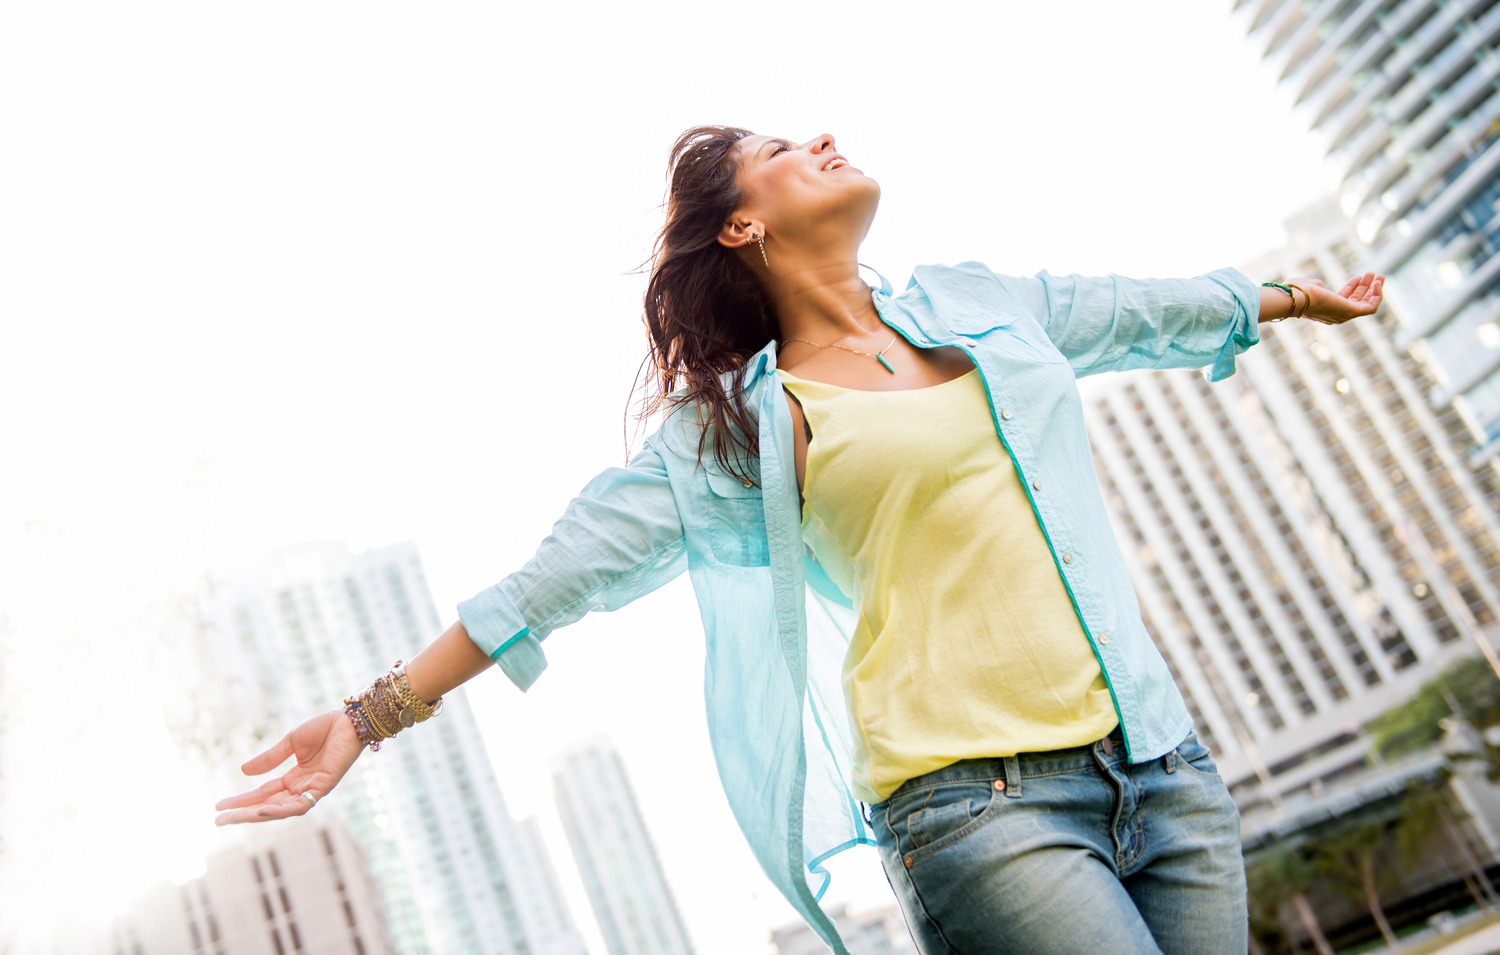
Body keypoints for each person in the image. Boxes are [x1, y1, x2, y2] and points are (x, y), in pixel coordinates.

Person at [215, 126, 1385, 954]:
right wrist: (367, 720)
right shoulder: (737, 432)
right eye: (782, 150)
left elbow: (1143, 309)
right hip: (980, 811)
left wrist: (1292, 297)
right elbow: (551, 579)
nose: (822, 137)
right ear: (742, 222)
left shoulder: (982, 301)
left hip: (1165, 768)